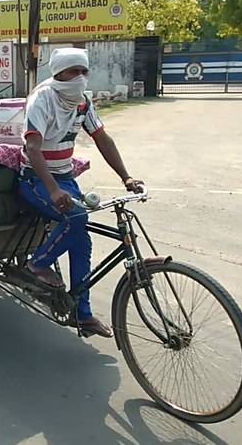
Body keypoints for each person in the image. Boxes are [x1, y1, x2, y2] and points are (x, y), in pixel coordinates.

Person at [20, 48, 144, 338]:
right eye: (72, 71)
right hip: (35, 180)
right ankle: (36, 265)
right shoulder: (42, 99)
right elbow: (32, 149)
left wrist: (126, 177)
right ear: (58, 73)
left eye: (83, 71)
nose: (79, 78)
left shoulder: (83, 103)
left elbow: (102, 138)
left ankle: (82, 314)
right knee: (75, 219)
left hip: (66, 176)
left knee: (82, 242)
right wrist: (51, 190)